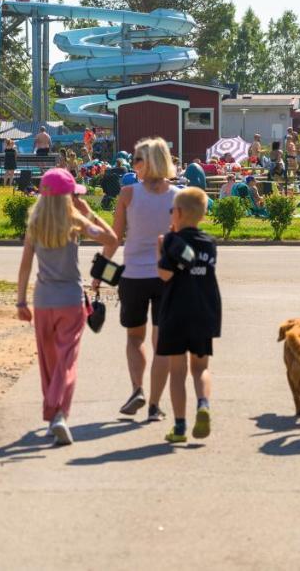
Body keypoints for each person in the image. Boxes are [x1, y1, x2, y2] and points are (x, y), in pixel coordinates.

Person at [15, 168, 119, 446]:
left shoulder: (35, 224)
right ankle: (59, 413)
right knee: (67, 360)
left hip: (43, 300)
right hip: (71, 301)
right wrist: (88, 212)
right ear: (69, 199)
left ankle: (52, 417)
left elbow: (25, 264)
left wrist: (21, 301)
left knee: (48, 361)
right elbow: (111, 239)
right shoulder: (75, 221)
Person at [112, 137, 178, 421]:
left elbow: (115, 238)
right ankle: (154, 405)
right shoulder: (178, 196)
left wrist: (99, 273)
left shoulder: (127, 194)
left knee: (134, 337)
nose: (133, 164)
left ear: (148, 162)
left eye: (137, 159)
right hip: (167, 277)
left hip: (133, 276)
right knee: (161, 342)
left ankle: (137, 388)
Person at [155, 187, 221, 443]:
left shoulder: (171, 241)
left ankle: (180, 426)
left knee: (178, 371)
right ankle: (203, 404)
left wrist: (160, 249)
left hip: (176, 312)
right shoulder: (210, 243)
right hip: (205, 311)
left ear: (178, 213)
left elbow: (165, 275)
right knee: (201, 368)